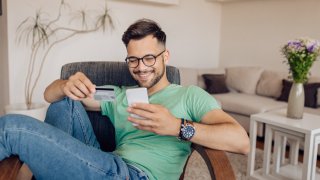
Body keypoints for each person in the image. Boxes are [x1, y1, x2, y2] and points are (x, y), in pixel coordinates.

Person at [0, 18, 249, 180]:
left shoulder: (189, 96)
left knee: (11, 127)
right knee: (65, 100)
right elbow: (50, 95)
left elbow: (241, 141)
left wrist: (176, 126)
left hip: (134, 176)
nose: (141, 67)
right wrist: (65, 84)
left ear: (166, 56)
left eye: (149, 58)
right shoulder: (119, 95)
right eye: (133, 60)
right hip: (107, 166)